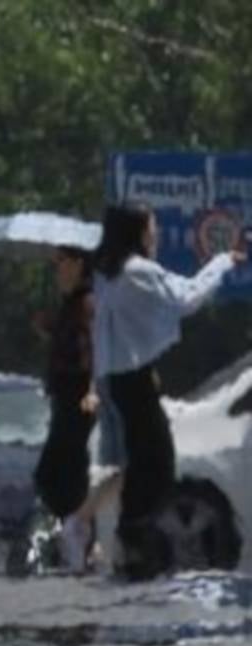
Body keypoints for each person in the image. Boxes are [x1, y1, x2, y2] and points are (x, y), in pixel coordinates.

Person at [93, 202, 244, 580]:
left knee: (145, 462)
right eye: (152, 227)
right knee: (156, 462)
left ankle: (133, 541)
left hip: (119, 379)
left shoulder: (108, 273)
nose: (156, 234)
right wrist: (222, 263)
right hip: (132, 379)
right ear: (138, 232)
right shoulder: (138, 272)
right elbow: (187, 297)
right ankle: (134, 540)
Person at [32, 246, 99, 573]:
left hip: (79, 399)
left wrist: (93, 390)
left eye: (61, 263)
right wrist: (50, 329)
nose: (57, 269)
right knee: (54, 475)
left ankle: (83, 537)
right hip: (64, 399)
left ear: (77, 264)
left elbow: (93, 352)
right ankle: (79, 535)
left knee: (63, 475)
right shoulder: (70, 305)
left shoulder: (86, 304)